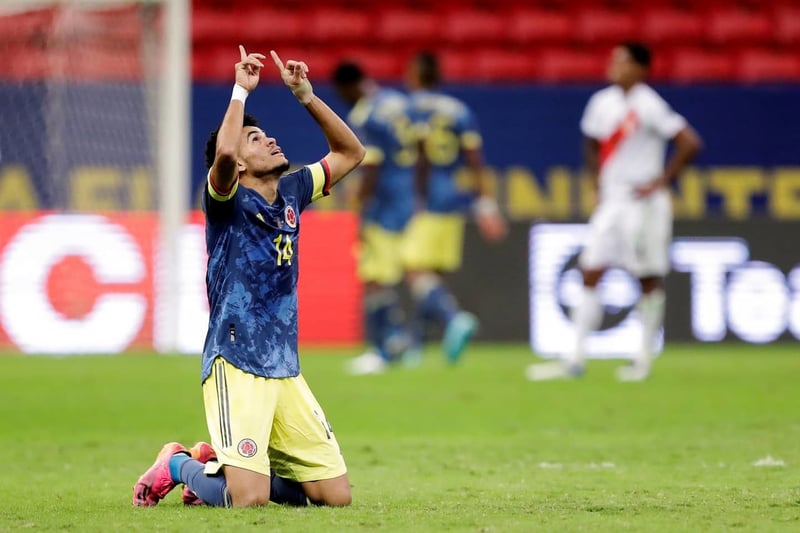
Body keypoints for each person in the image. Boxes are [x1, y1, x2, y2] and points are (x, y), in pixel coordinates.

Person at [132, 46, 365, 508]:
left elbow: (351, 152)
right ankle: (179, 463)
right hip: (235, 362)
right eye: (255, 139)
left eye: (267, 135)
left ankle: (227, 464)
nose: (270, 140)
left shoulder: (293, 190)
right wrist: (241, 88)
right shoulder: (227, 201)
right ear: (237, 163)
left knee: (334, 497)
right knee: (249, 501)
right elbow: (222, 152)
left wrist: (306, 95)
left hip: (285, 365)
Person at [527, 42, 702, 383]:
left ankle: (643, 358)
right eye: (613, 60)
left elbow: (690, 142)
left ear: (641, 68)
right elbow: (591, 142)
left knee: (647, 277)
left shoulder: (649, 104)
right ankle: (574, 358)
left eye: (622, 61)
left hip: (642, 202)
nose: (614, 65)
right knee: (590, 269)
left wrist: (662, 182)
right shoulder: (601, 102)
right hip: (612, 200)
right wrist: (596, 184)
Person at [404, 51, 507, 364]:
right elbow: (475, 158)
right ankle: (416, 346)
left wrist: (417, 197)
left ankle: (453, 319)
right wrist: (486, 201)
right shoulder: (459, 110)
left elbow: (421, 157)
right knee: (433, 274)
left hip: (427, 196)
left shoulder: (410, 109)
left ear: (417, 75)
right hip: (453, 196)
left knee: (414, 270)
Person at [331, 61, 416, 375]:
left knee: (374, 277)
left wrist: (360, 201)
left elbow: (372, 166)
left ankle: (383, 348)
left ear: (347, 87)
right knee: (389, 275)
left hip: (382, 204)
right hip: (406, 197)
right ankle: (400, 344)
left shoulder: (365, 114)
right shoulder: (397, 102)